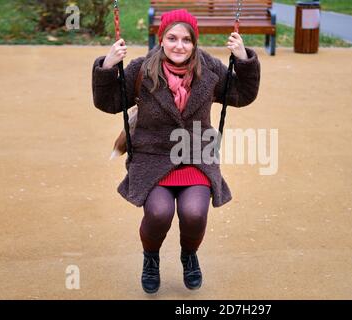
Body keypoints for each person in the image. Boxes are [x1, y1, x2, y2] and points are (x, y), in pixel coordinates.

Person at [91, 9, 260, 294]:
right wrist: (109, 65)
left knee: (194, 213)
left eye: (186, 39)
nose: (179, 45)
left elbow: (240, 94)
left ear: (195, 42)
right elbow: (108, 101)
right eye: (172, 38)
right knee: (159, 213)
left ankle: (189, 255)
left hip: (196, 156)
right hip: (151, 156)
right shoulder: (142, 68)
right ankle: (151, 258)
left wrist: (243, 59)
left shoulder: (209, 69)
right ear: (162, 40)